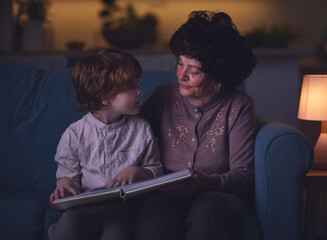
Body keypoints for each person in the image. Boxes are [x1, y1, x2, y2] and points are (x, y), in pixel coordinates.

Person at [136, 10, 257, 240]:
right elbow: (131, 137)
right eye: (180, 64)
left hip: (215, 195)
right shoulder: (164, 96)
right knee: (156, 213)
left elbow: (244, 177)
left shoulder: (238, 106)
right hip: (166, 193)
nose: (182, 75)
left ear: (219, 78)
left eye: (194, 71)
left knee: (206, 207)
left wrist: (205, 183)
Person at [48, 49, 162, 240]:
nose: (140, 90)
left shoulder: (142, 129)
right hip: (86, 205)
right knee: (66, 232)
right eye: (131, 86)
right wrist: (65, 186)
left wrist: (136, 170)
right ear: (104, 96)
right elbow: (67, 175)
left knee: (118, 233)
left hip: (123, 206)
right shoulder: (74, 134)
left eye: (137, 83)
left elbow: (156, 169)